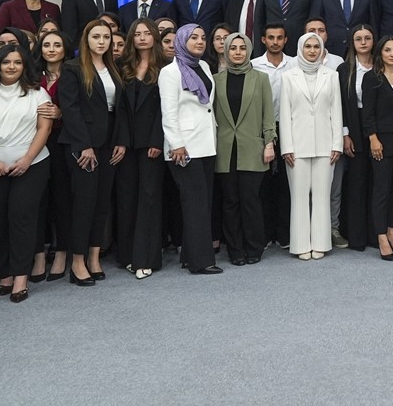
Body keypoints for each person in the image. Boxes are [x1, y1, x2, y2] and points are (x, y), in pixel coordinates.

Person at [0, 43, 52, 302]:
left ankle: (20, 277)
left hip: (31, 166)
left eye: (17, 62)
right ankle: (4, 273)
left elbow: (44, 129)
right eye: (6, 62)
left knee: (21, 218)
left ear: (25, 65)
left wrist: (27, 159)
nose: (12, 66)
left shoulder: (38, 93)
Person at [58, 19, 122, 285]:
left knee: (101, 203)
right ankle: (77, 262)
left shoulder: (114, 68)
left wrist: (120, 141)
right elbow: (70, 109)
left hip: (109, 144)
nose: (101, 42)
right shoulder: (72, 68)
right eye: (96, 37)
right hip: (83, 144)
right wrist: (84, 145)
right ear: (86, 39)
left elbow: (119, 110)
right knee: (83, 204)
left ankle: (94, 257)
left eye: (106, 37)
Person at [159, 24, 222, 275]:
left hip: (207, 143)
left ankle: (189, 255)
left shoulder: (203, 66)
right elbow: (169, 112)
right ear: (182, 41)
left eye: (203, 38)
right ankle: (201, 261)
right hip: (184, 148)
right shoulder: (169, 72)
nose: (200, 41)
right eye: (194, 37)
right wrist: (176, 144)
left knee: (202, 202)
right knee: (195, 204)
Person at [211, 31, 275, 267]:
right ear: (226, 51)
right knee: (230, 201)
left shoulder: (261, 78)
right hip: (225, 148)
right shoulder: (215, 79)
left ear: (249, 50)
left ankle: (254, 247)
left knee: (250, 200)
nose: (237, 52)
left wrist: (269, 142)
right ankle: (235, 250)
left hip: (253, 148)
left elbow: (268, 114)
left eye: (242, 48)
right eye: (233, 48)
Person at [278, 32, 342, 260]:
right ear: (300, 49)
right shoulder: (288, 77)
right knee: (299, 197)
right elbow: (284, 114)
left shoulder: (332, 75)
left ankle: (321, 243)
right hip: (297, 146)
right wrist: (287, 147)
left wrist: (337, 144)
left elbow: (336, 111)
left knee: (322, 196)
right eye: (308, 47)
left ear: (322, 49)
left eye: (316, 46)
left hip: (326, 145)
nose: (312, 50)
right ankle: (300, 244)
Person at [112, 20, 166, 279]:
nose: (142, 37)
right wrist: (121, 140)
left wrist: (157, 140)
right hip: (127, 143)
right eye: (137, 34)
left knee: (149, 198)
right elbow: (119, 107)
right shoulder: (122, 66)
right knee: (127, 198)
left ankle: (146, 257)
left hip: (151, 143)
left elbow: (167, 109)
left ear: (155, 37)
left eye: (147, 33)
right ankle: (128, 256)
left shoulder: (166, 67)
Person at [360, 35, 393, 261]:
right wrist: (373, 138)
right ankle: (381, 237)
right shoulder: (372, 78)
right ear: (380, 53)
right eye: (387, 50)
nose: (392, 54)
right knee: (382, 190)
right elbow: (368, 113)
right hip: (382, 142)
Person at [251, 22, 295, 249]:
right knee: (264, 183)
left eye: (279, 38)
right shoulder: (253, 65)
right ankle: (266, 233)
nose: (275, 42)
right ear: (263, 40)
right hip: (261, 129)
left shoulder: (295, 64)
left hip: (290, 128)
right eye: (271, 37)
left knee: (287, 183)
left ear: (286, 40)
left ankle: (285, 234)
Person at [336, 24, 375, 252]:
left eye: (367, 38)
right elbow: (339, 103)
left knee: (377, 183)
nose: (363, 42)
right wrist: (345, 133)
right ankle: (357, 237)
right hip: (353, 126)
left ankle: (375, 234)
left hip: (378, 129)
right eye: (358, 38)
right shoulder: (344, 69)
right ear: (352, 42)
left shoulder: (381, 66)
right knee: (357, 183)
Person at [34, 29, 68, 281]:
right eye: (47, 45)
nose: (52, 49)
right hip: (32, 141)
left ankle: (61, 252)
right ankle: (37, 255)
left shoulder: (74, 73)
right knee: (36, 199)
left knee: (61, 198)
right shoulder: (31, 75)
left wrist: (61, 113)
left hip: (62, 142)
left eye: (57, 45)